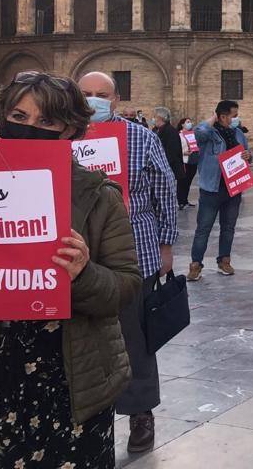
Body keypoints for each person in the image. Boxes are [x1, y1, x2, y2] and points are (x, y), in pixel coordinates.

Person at [0, 71, 141, 468]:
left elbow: (126, 286)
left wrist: (84, 272)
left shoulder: (99, 196)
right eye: (18, 117)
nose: (28, 129)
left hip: (73, 377)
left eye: (46, 122)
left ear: (70, 130)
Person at [78, 72, 177, 454]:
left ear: (115, 100)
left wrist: (166, 246)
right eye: (86, 94)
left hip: (135, 255)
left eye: (101, 95)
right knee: (83, 341)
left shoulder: (141, 137)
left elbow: (164, 191)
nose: (93, 101)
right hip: (79, 259)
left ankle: (140, 414)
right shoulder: (62, 135)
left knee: (135, 340)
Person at [188, 100, 250, 280]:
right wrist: (213, 118)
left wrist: (248, 156)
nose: (237, 119)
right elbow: (198, 132)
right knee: (203, 228)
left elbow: (246, 154)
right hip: (212, 188)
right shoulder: (209, 134)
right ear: (222, 116)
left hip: (233, 188)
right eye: (234, 116)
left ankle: (224, 260)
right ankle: (195, 264)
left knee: (228, 227)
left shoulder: (238, 133)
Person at [153, 106, 186, 187]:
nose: (153, 119)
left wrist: (161, 166)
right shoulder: (158, 130)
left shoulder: (170, 131)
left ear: (160, 118)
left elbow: (171, 153)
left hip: (169, 169)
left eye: (154, 116)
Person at [176, 117, 199, 210]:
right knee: (182, 182)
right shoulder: (179, 135)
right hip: (185, 160)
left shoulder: (193, 134)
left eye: (190, 122)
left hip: (193, 160)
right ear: (182, 124)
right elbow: (176, 148)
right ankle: (181, 201)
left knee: (188, 182)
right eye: (188, 122)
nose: (190, 123)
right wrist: (183, 152)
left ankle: (185, 200)